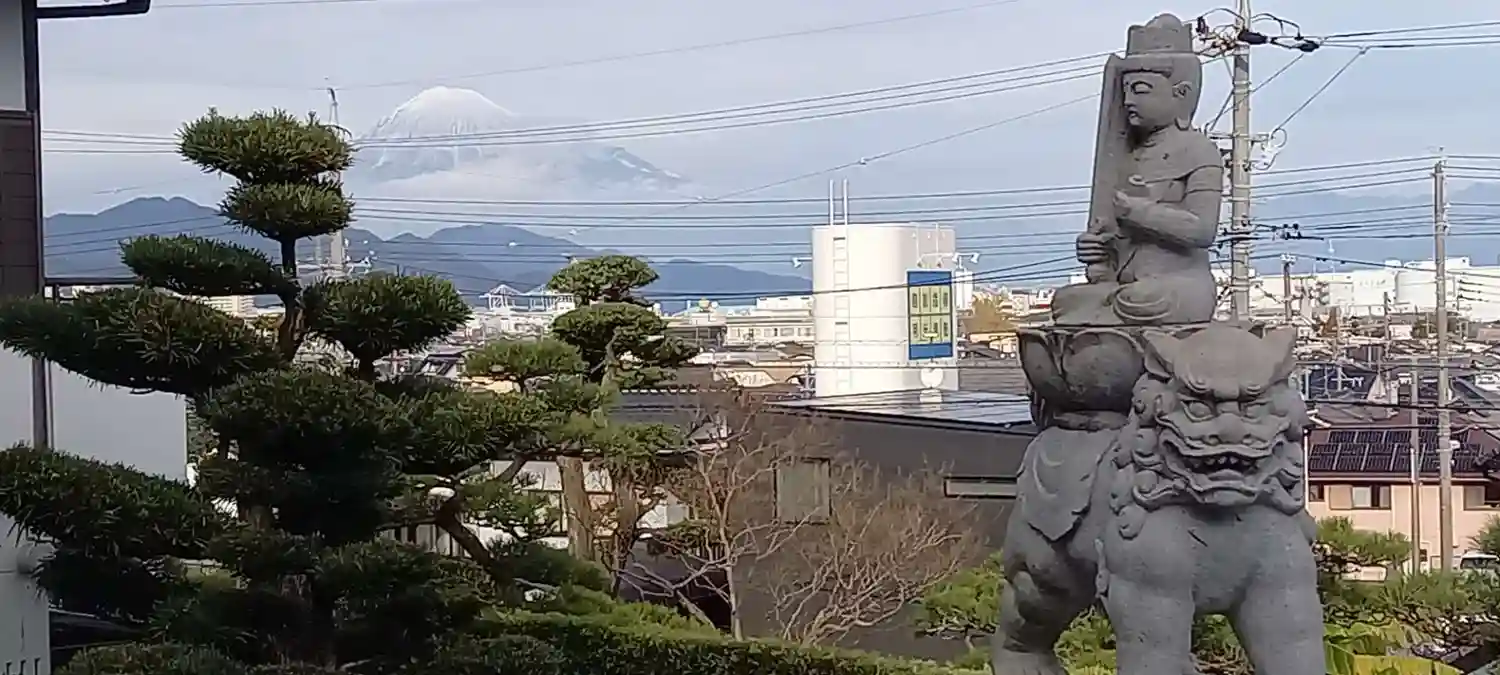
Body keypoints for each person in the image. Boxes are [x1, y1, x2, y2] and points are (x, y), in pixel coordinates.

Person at [1052, 13, 1224, 327]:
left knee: (1143, 299)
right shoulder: (1127, 157)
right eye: (1126, 91)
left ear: (1181, 93)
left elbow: (1202, 230)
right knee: (1067, 300)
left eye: (1141, 90)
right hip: (1126, 283)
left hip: (1180, 283)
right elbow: (1114, 241)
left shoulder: (1200, 150)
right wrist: (1096, 248)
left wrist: (1137, 212)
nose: (1129, 100)